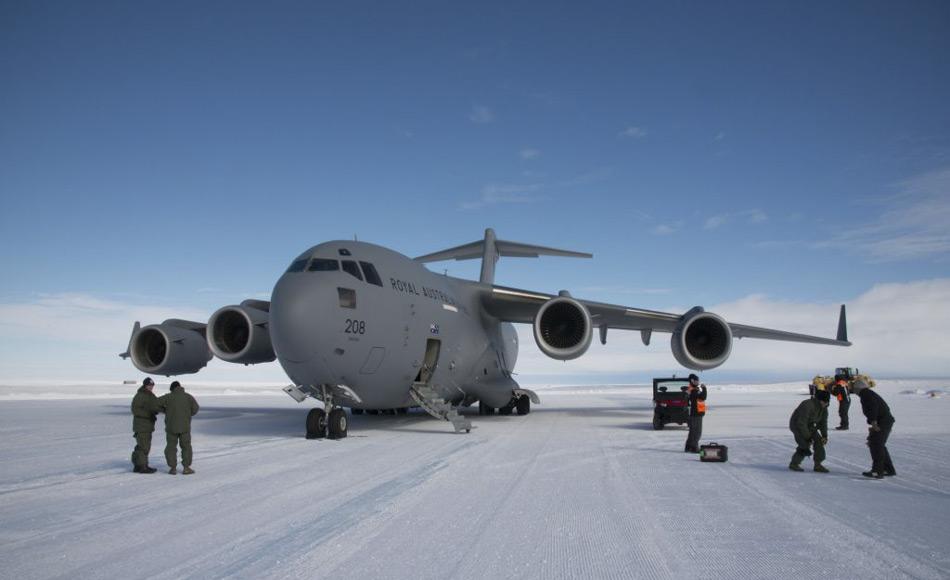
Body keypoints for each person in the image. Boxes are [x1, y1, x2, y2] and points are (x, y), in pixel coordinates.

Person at [852, 380, 896, 479]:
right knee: (878, 444)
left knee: (876, 445)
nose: (853, 390)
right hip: (885, 421)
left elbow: (873, 408)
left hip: (882, 422)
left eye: (854, 388)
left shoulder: (866, 395)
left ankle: (878, 471)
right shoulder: (868, 394)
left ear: (858, 388)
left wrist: (874, 422)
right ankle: (888, 469)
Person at [158, 381, 200, 475]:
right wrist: (188, 414)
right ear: (180, 387)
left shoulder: (168, 397)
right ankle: (186, 468)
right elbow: (196, 408)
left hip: (171, 427)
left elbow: (155, 403)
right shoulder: (188, 397)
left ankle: (172, 468)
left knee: (171, 447)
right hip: (185, 427)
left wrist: (165, 410)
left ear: (172, 389)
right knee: (186, 447)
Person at [789, 389, 830, 473]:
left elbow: (823, 423)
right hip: (797, 425)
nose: (825, 404)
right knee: (804, 444)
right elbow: (801, 423)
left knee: (819, 442)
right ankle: (794, 464)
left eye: (827, 402)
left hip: (810, 425)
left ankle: (818, 465)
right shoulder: (807, 405)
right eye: (824, 401)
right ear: (818, 400)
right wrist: (808, 437)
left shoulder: (824, 408)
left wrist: (824, 435)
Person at [130, 377, 160, 473]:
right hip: (142, 426)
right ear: (145, 385)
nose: (151, 387)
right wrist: (148, 414)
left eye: (152, 385)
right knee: (144, 447)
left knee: (141, 446)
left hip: (147, 425)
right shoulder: (141, 395)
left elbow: (156, 405)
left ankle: (138, 465)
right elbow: (135, 409)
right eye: (149, 385)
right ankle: (143, 467)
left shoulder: (150, 395)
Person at [684, 373, 707, 453]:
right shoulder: (693, 390)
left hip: (695, 413)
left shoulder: (691, 389)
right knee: (697, 432)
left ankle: (688, 447)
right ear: (692, 381)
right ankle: (694, 447)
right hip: (696, 414)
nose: (698, 382)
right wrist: (704, 388)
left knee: (692, 431)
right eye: (697, 380)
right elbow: (703, 397)